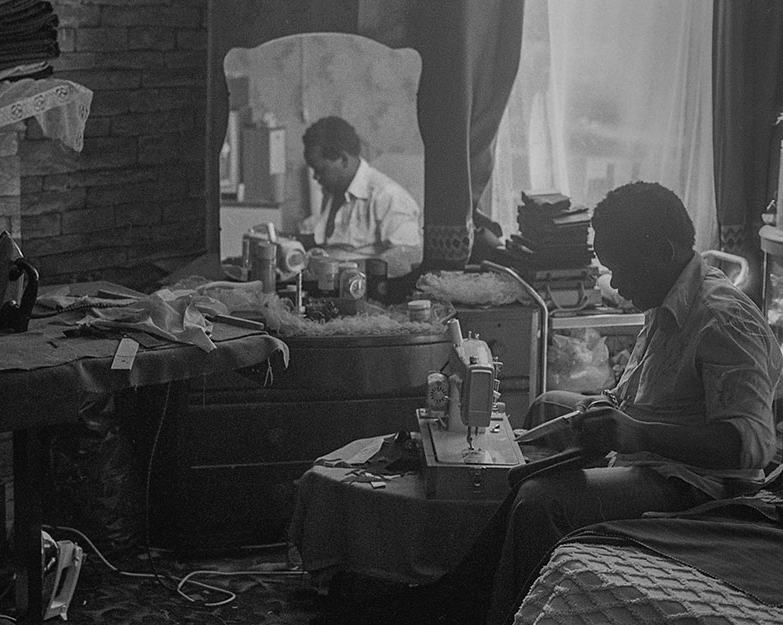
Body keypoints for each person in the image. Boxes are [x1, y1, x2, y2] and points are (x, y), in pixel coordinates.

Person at [395, 181, 782, 625]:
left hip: (694, 485)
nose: (616, 283)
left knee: (540, 499)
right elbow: (644, 393)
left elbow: (751, 445)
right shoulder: (668, 296)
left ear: (661, 250)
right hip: (649, 452)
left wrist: (633, 432)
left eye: (621, 269)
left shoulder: (723, 318)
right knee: (545, 406)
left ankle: (500, 612)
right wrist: (602, 409)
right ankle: (465, 589)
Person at [298, 116, 423, 276]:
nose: (315, 177)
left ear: (343, 159)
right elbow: (336, 244)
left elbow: (407, 258)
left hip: (364, 290)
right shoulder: (333, 190)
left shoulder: (387, 196)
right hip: (328, 285)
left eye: (320, 169)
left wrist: (339, 269)